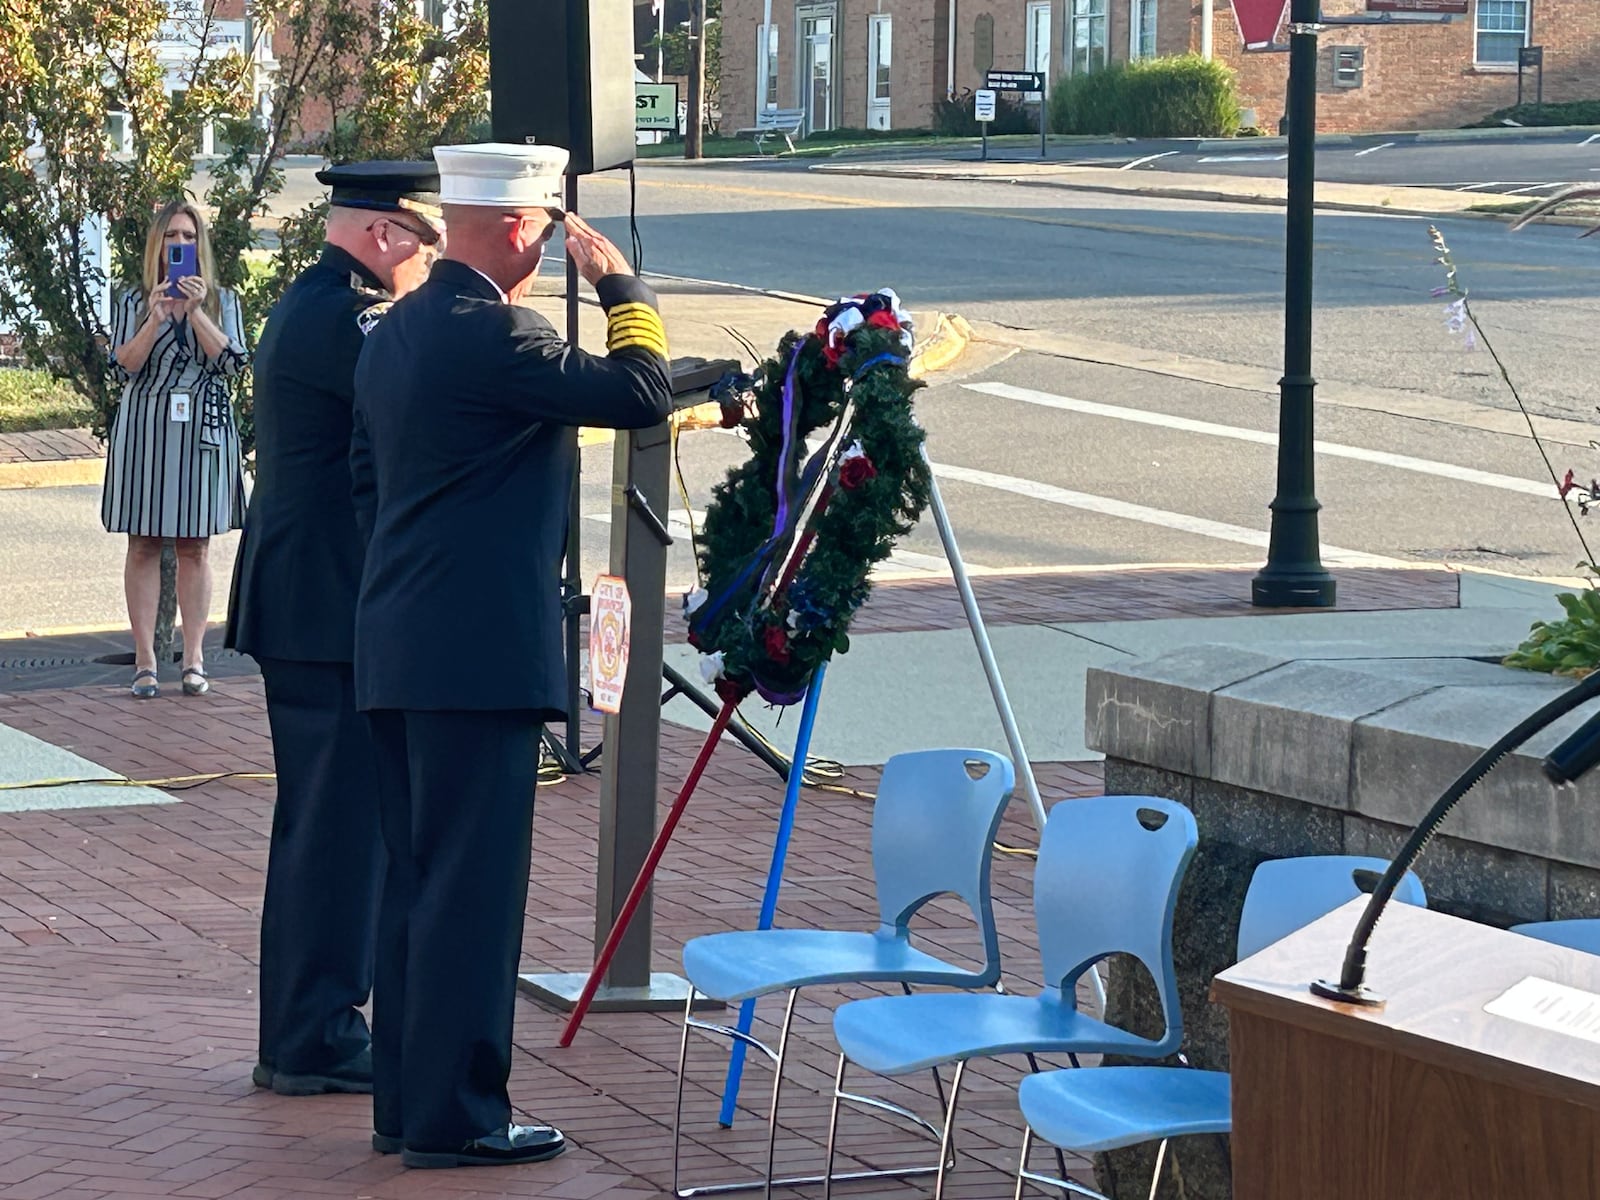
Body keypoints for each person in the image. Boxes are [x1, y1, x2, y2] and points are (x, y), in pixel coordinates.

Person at [350, 142, 673, 1169]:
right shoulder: (497, 333)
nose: (546, 246)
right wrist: (620, 282)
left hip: (400, 643)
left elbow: (367, 484)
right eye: (542, 226)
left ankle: (406, 1104)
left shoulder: (395, 331)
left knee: (413, 886)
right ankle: (460, 1117)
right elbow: (640, 389)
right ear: (516, 228)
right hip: (474, 658)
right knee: (471, 896)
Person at [224, 161, 446, 1098]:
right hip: (325, 605)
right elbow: (420, 417)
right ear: (385, 233)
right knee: (336, 831)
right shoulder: (346, 318)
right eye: (424, 245)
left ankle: (306, 1029)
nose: (425, 266)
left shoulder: (315, 303)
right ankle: (313, 1033)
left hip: (313, 599)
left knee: (325, 826)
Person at [102, 199, 247, 699]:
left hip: (200, 431)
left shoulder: (222, 300)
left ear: (199, 244)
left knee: (195, 545)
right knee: (142, 542)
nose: (179, 246)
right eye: (171, 237)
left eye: (188, 237)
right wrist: (158, 317)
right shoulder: (132, 301)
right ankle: (145, 661)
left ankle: (194, 659)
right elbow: (122, 367)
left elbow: (232, 364)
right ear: (156, 245)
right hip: (146, 428)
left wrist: (197, 314)